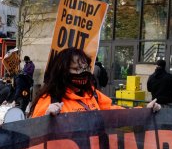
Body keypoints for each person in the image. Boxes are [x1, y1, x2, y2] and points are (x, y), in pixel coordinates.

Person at [29, 47, 161, 117]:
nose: (82, 72)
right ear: (62, 71)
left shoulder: (93, 95)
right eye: (76, 69)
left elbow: (117, 112)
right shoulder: (50, 100)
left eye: (85, 68)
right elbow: (33, 137)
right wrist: (46, 119)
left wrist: (145, 111)